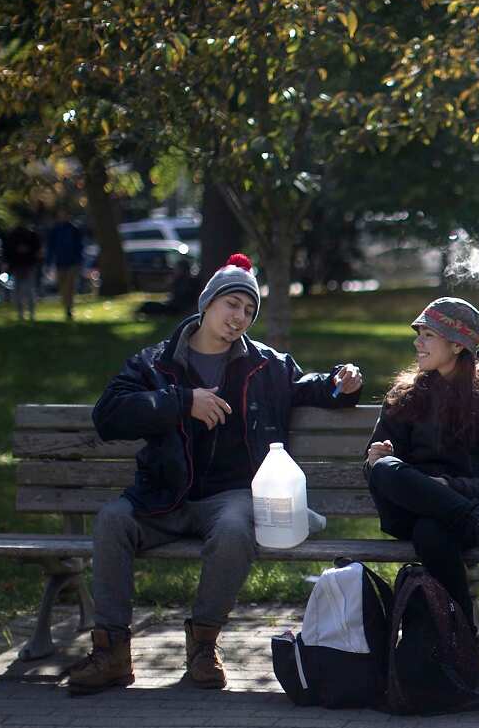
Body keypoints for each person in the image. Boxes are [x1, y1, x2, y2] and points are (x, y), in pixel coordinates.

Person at [67, 253, 364, 695]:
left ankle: (204, 645)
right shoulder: (154, 363)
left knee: (232, 529)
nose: (239, 317)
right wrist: (181, 401)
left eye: (248, 310)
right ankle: (112, 652)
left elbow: (311, 386)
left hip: (231, 494)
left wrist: (342, 383)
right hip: (163, 496)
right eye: (232, 305)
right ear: (207, 304)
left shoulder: (267, 365)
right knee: (113, 519)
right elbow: (108, 415)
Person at [365, 298, 479, 625]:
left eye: (427, 335)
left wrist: (449, 486)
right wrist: (374, 458)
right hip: (413, 510)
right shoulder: (406, 393)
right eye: (418, 334)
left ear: (456, 345)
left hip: (455, 512)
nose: (417, 342)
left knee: (431, 532)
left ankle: (463, 642)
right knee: (384, 469)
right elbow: (378, 470)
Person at [45, 213, 85, 320]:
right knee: (62, 286)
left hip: (72, 263)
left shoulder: (74, 229)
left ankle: (69, 308)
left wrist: (79, 261)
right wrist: (48, 262)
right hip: (60, 263)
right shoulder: (55, 230)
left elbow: (79, 246)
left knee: (70, 286)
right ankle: (66, 305)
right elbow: (51, 247)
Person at [3, 222, 42, 322]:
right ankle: (22, 313)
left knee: (27, 290)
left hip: (28, 265)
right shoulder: (14, 235)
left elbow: (37, 252)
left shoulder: (30, 235)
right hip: (18, 266)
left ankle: (29, 313)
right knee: (20, 290)